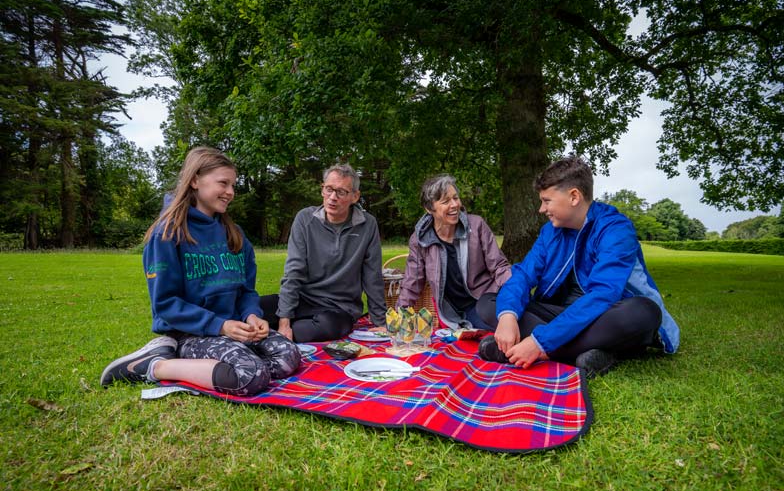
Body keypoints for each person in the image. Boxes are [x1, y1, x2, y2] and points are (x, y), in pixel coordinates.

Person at [101, 147, 301, 396]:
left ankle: (225, 362)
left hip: (233, 328)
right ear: (195, 180)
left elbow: (246, 291)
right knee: (251, 375)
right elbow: (165, 304)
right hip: (190, 333)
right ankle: (155, 365)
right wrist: (220, 326)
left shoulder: (235, 234)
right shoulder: (167, 235)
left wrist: (251, 315)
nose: (230, 192)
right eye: (223, 183)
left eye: (233, 185)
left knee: (289, 356)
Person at [477, 156, 680, 377]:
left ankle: (539, 350)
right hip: (562, 314)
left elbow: (604, 294)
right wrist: (507, 317)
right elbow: (524, 274)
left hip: (606, 313)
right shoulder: (550, 232)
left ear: (574, 196)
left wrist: (539, 342)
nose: (541, 209)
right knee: (489, 303)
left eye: (547, 201)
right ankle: (596, 353)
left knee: (644, 312)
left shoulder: (616, 229)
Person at [259, 163, 387, 342]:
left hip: (339, 309)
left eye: (341, 192)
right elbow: (294, 270)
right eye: (329, 189)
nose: (332, 197)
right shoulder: (305, 218)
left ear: (355, 197)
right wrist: (284, 321)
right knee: (254, 309)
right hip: (303, 300)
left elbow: (372, 276)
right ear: (322, 190)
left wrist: (380, 321)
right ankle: (278, 332)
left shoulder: (368, 224)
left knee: (327, 326)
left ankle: (268, 336)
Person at [397, 174, 511, 330]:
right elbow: (412, 282)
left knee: (514, 318)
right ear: (429, 208)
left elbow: (499, 266)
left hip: (487, 298)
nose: (454, 205)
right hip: (456, 310)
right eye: (445, 201)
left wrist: (516, 289)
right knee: (502, 324)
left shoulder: (476, 225)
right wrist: (397, 317)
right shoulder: (420, 240)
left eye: (456, 198)